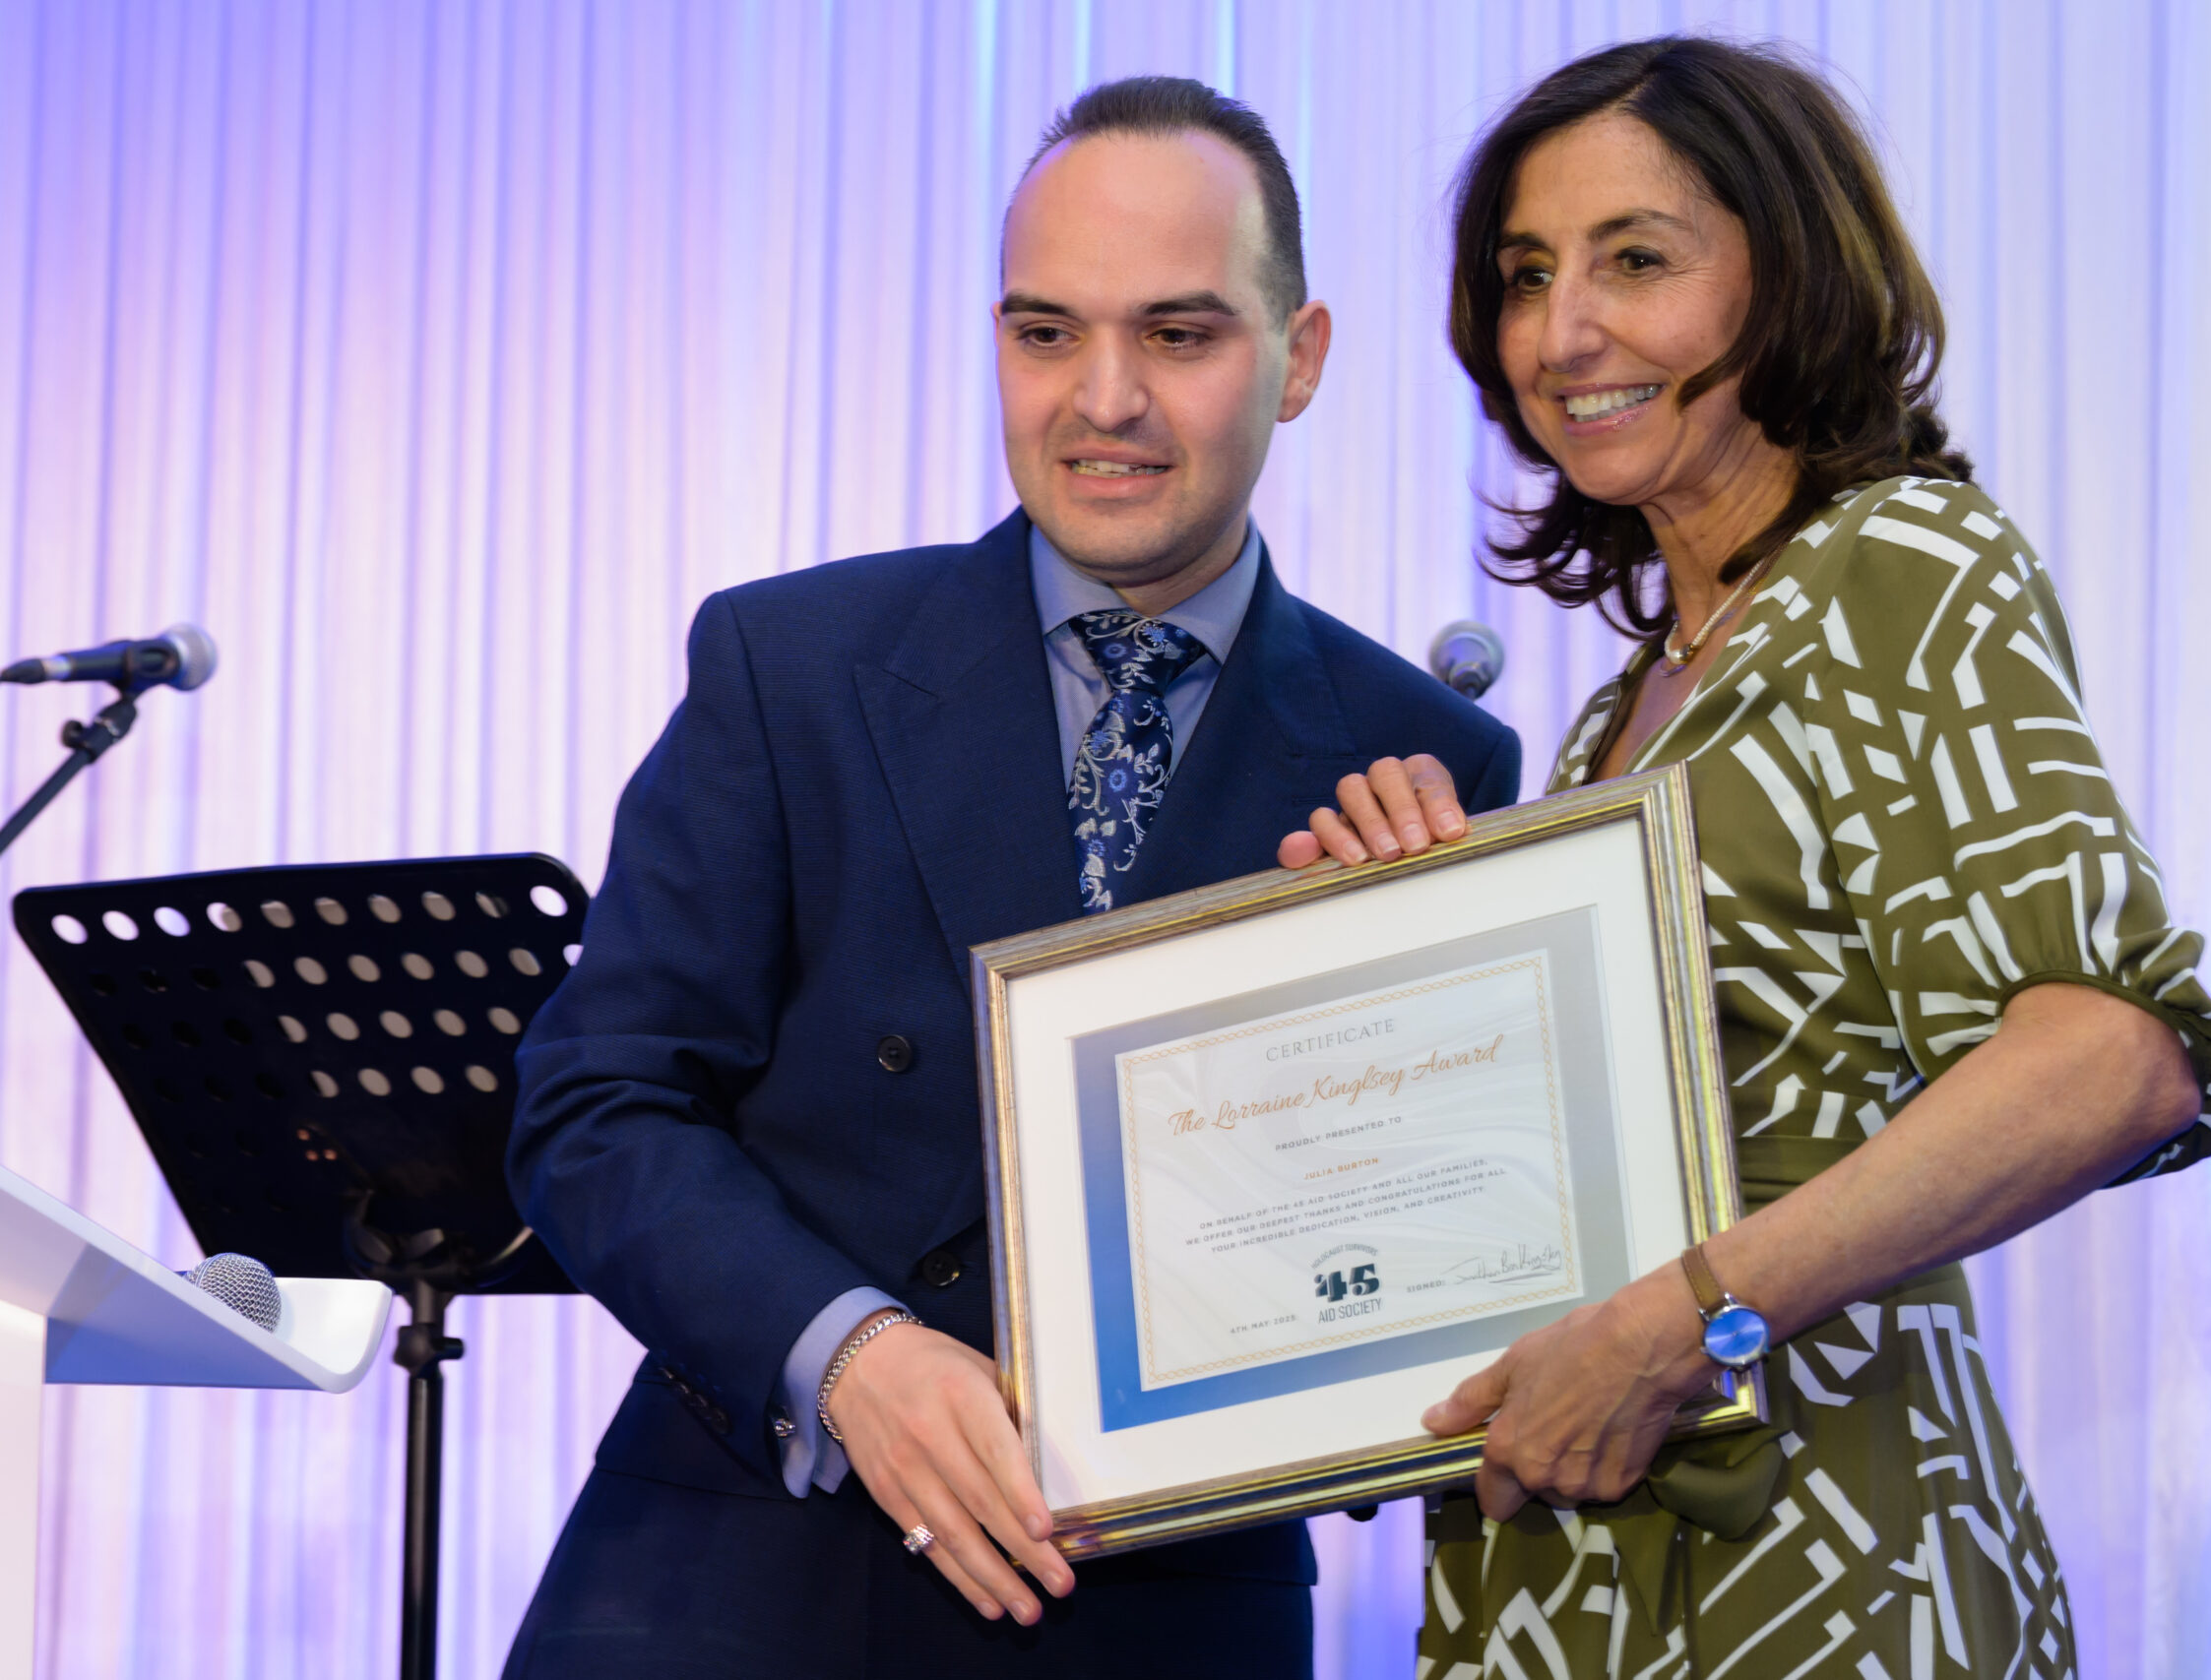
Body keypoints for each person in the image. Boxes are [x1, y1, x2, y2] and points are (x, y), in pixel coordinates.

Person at [501, 76, 1520, 1677]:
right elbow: (595, 1105)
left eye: (1179, 336)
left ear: (1301, 357)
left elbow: (1421, 1264)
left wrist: (1392, 1012)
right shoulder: (792, 661)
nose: (1102, 398)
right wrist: (850, 1357)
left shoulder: (1419, 761)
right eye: (1047, 332)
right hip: (740, 1577)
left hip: (1162, 1609)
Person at [1282, 36, 2211, 1678]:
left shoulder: (1896, 568)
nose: (1564, 330)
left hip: (1818, 1578)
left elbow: (2114, 1055)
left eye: (1637, 261)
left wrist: (1683, 1328)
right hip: (1574, 1580)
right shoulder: (1628, 703)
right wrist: (1384, 968)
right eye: (1527, 275)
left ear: (1787, 278)